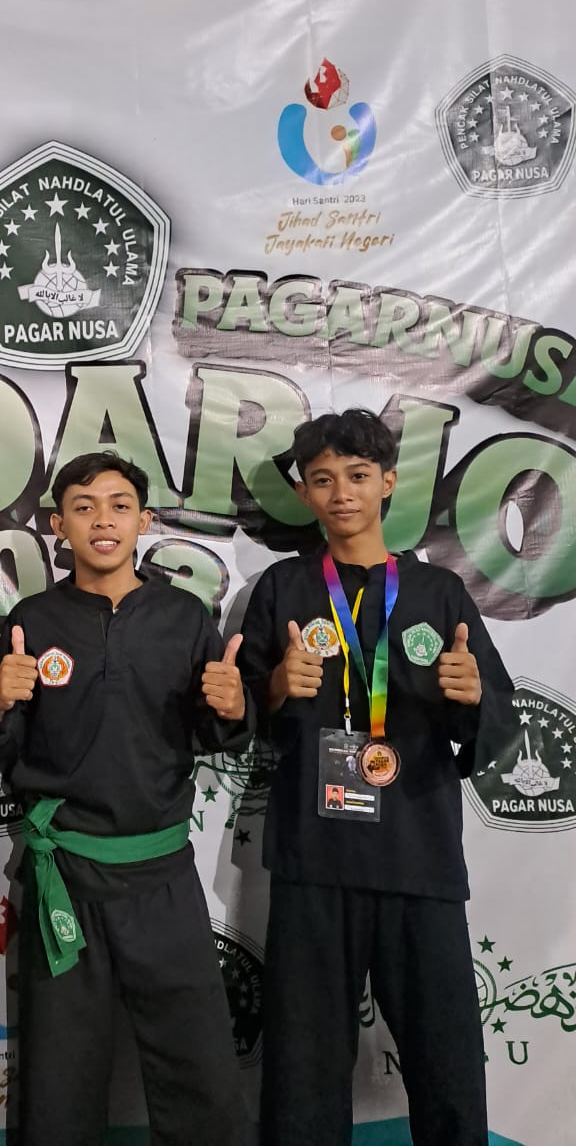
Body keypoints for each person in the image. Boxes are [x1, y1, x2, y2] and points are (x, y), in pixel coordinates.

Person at [238, 409, 513, 1146]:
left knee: (447, 1062)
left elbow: (497, 725)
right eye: (323, 479)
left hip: (418, 857)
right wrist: (276, 686)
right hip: (313, 860)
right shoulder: (283, 590)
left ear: (388, 482)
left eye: (358, 476)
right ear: (305, 493)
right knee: (302, 1069)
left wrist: (472, 697)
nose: (342, 493)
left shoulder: (440, 595)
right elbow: (239, 718)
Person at [0, 451, 254, 1146]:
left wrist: (232, 707)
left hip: (163, 877)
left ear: (145, 521)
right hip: (65, 878)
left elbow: (212, 733)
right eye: (84, 507)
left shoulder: (184, 616)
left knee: (200, 1070)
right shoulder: (32, 620)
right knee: (59, 1079)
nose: (103, 520)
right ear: (58, 527)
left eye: (119, 505)